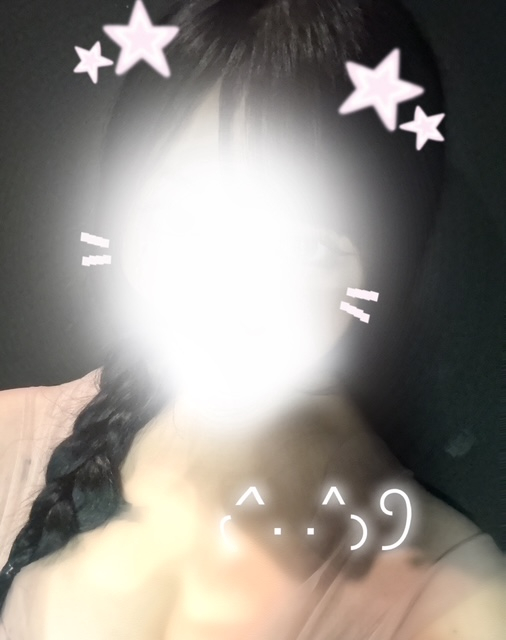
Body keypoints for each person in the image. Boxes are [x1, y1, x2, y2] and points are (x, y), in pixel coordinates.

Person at [0, 0, 504, 638]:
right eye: (185, 215)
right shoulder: (10, 445)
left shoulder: (455, 606)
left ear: (389, 265)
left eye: (308, 248)